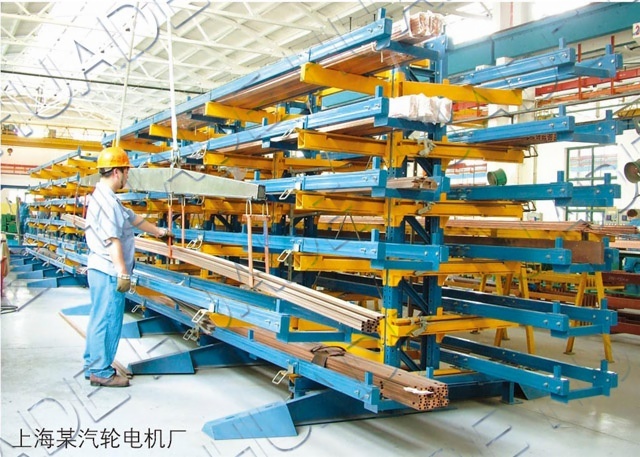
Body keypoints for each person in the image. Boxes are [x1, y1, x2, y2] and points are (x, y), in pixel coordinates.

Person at [84, 146, 170, 387]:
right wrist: (122, 272)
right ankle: (101, 372)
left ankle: (92, 364)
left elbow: (132, 218)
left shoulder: (105, 197)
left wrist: (159, 231)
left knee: (98, 318)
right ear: (116, 172)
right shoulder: (107, 203)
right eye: (126, 171)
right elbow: (112, 240)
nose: (127, 176)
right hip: (108, 270)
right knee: (108, 321)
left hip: (100, 268)